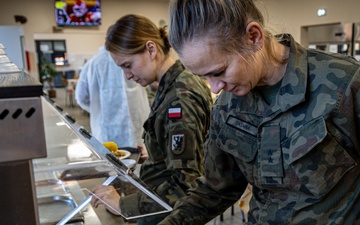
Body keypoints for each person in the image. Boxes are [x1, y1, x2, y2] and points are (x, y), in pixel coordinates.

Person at [157, 0, 360, 224]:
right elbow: (216, 189)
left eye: (219, 72)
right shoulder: (226, 108)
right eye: (203, 77)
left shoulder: (344, 82)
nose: (215, 88)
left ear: (253, 37)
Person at [90, 14, 213, 225]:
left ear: (151, 49)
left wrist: (123, 205)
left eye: (128, 65)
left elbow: (185, 184)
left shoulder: (179, 99)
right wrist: (157, 152)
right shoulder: (177, 83)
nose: (127, 75)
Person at [75, 45, 150, 148]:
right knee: (139, 157)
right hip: (138, 124)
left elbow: (81, 97)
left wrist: (98, 110)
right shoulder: (134, 59)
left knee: (112, 159)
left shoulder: (93, 63)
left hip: (106, 129)